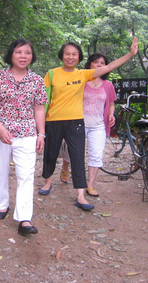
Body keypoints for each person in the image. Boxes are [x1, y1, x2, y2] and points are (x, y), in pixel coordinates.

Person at [39, 38, 138, 210]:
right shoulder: (52, 74)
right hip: (53, 120)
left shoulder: (83, 74)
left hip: (76, 121)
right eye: (67, 54)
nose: (70, 57)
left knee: (78, 157)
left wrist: (130, 54)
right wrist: (40, 126)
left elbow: (109, 67)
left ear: (79, 57)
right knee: (50, 153)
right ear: (62, 56)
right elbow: (42, 100)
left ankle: (80, 195)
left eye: (74, 54)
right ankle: (47, 182)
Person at [0, 39, 47, 235]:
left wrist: (41, 133)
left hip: (27, 133)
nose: (23, 56)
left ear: (32, 56)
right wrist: (0, 128)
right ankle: (2, 205)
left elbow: (39, 108)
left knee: (26, 175)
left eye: (27, 52)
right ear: (11, 54)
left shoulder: (37, 80)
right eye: (19, 52)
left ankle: (24, 218)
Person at [59, 53, 117, 197]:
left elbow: (111, 103)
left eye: (102, 63)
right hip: (78, 123)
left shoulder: (108, 85)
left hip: (98, 125)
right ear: (90, 64)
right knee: (71, 151)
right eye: (96, 62)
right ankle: (65, 166)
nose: (99, 65)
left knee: (96, 155)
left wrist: (111, 114)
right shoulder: (82, 80)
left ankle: (90, 185)